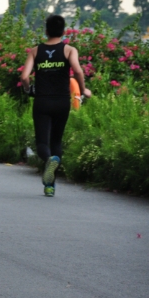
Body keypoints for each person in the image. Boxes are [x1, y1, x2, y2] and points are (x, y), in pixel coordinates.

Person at [21, 14, 91, 197]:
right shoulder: (69, 50)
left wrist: (28, 89)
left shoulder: (35, 51)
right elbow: (78, 71)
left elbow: (24, 77)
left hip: (42, 101)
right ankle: (50, 186)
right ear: (63, 31)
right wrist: (83, 90)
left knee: (42, 143)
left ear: (46, 31)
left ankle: (48, 162)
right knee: (56, 141)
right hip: (62, 102)